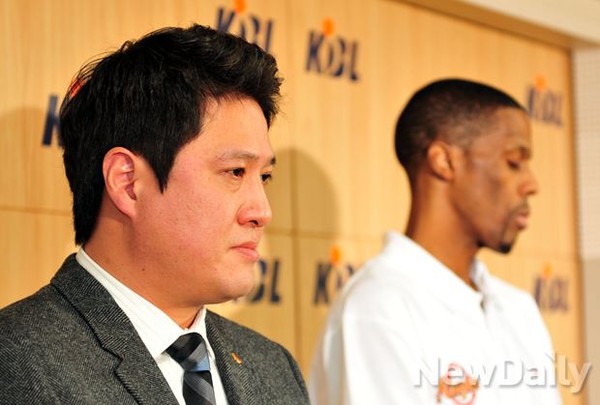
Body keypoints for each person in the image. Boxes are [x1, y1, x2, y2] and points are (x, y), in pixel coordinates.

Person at [0, 24, 309, 404]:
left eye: (264, 177)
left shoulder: (273, 367)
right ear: (128, 183)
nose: (262, 211)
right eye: (234, 172)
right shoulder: (17, 362)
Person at [309, 78, 562, 404]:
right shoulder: (378, 307)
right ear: (443, 161)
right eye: (514, 162)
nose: (531, 184)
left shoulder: (518, 309)